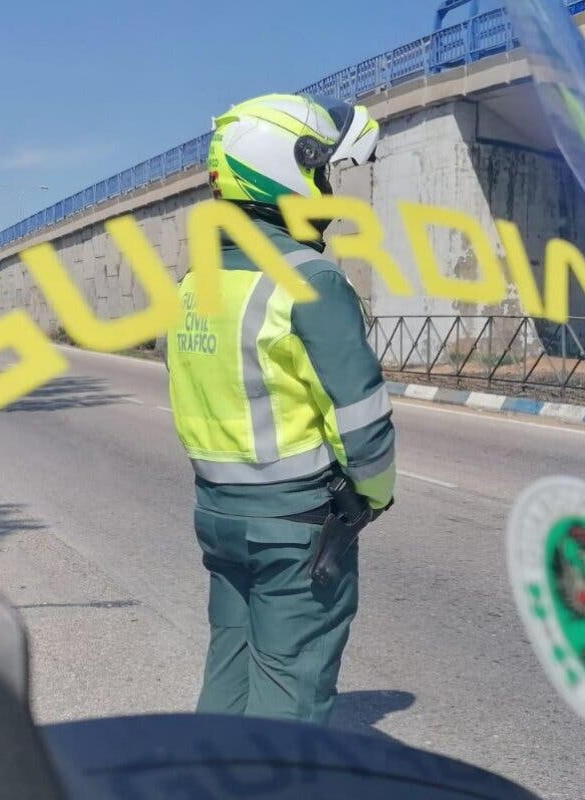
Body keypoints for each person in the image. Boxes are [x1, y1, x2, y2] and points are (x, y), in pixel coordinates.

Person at [166, 93, 395, 723]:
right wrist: (372, 493)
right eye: (324, 174)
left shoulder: (196, 285)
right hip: (296, 524)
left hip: (218, 515)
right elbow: (361, 411)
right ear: (291, 171)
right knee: (292, 689)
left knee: (231, 667)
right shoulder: (310, 281)